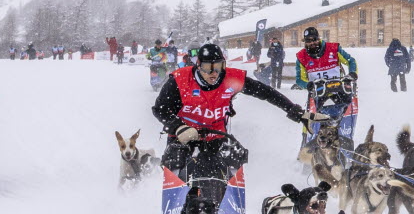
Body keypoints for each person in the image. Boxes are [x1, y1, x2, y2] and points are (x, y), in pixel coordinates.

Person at [151, 43, 320, 182]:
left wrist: (295, 111)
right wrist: (178, 127)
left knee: (231, 158)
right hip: (183, 136)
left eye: (218, 67)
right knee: (177, 163)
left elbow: (266, 92)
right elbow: (160, 109)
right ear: (198, 65)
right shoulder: (180, 79)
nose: (213, 73)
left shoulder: (231, 79)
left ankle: (228, 198)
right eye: (208, 68)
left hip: (215, 136)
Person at [293, 25, 359, 128]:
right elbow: (299, 80)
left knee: (346, 102)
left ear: (318, 38)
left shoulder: (333, 49)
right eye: (308, 41)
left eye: (314, 39)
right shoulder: (301, 57)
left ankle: (341, 127)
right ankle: (316, 131)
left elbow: (351, 61)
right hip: (318, 92)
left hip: (338, 88)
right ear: (305, 42)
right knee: (317, 114)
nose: (312, 43)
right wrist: (307, 85)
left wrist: (352, 73)